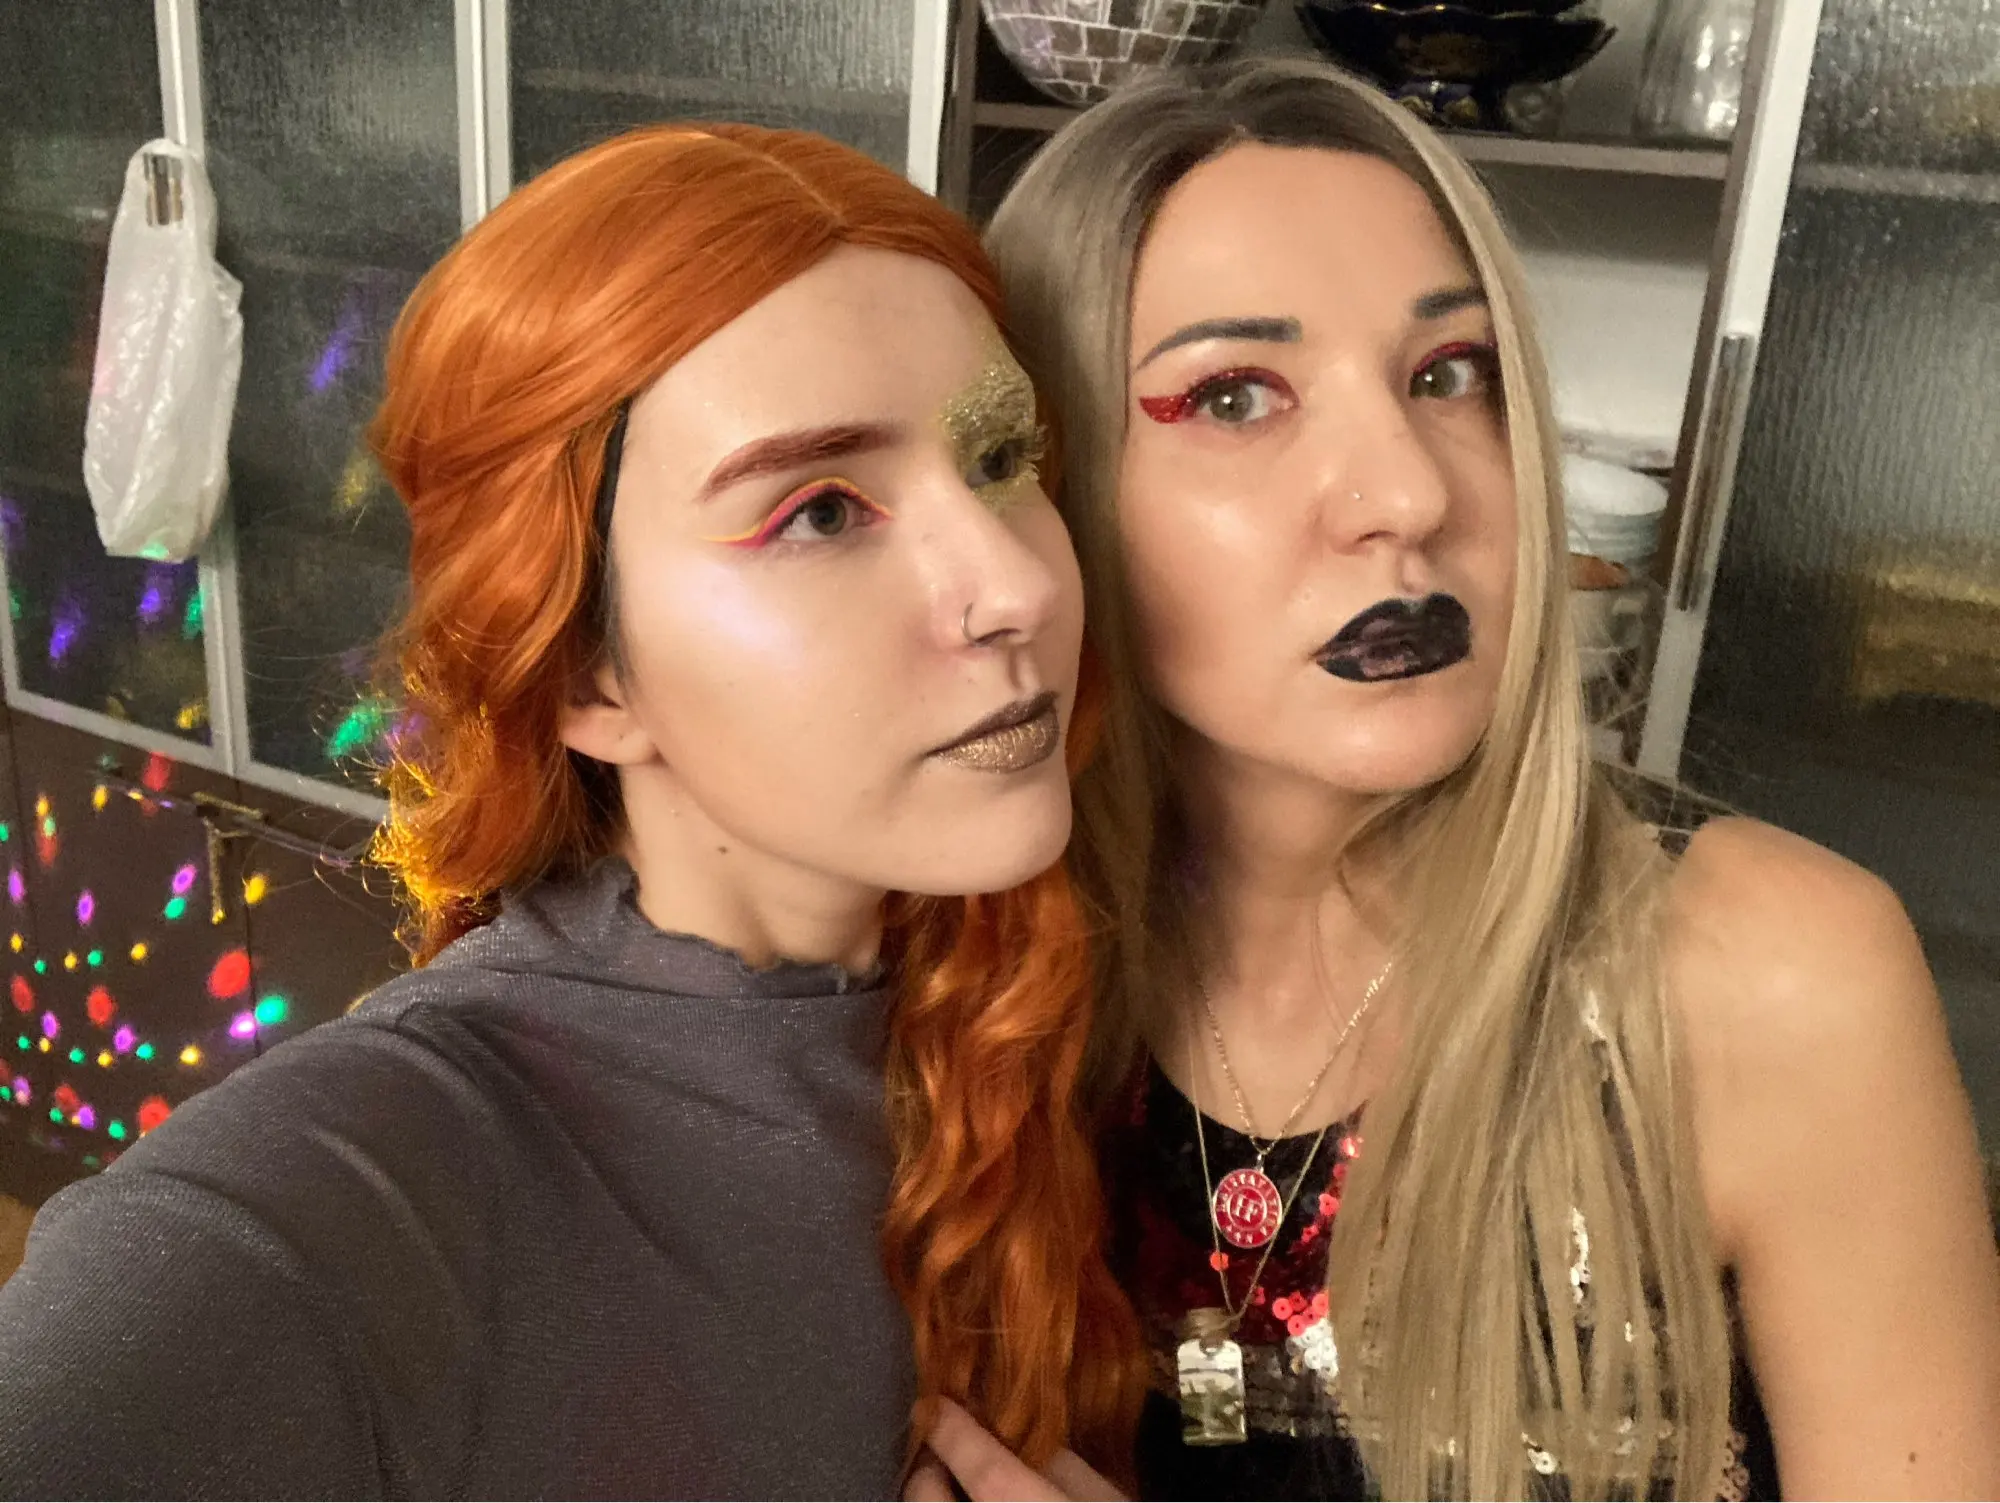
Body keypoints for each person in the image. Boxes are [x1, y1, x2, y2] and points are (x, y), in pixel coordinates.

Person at [0, 123, 1138, 1498]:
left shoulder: (1025, 996)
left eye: (1001, 454)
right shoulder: (334, 1208)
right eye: (824, 512)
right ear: (586, 677)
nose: (1018, 585)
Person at [927, 56, 2000, 1500]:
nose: (1411, 494)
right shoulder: (970, 993)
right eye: (1236, 396)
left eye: (1450, 375)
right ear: (1046, 484)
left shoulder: (1767, 980)